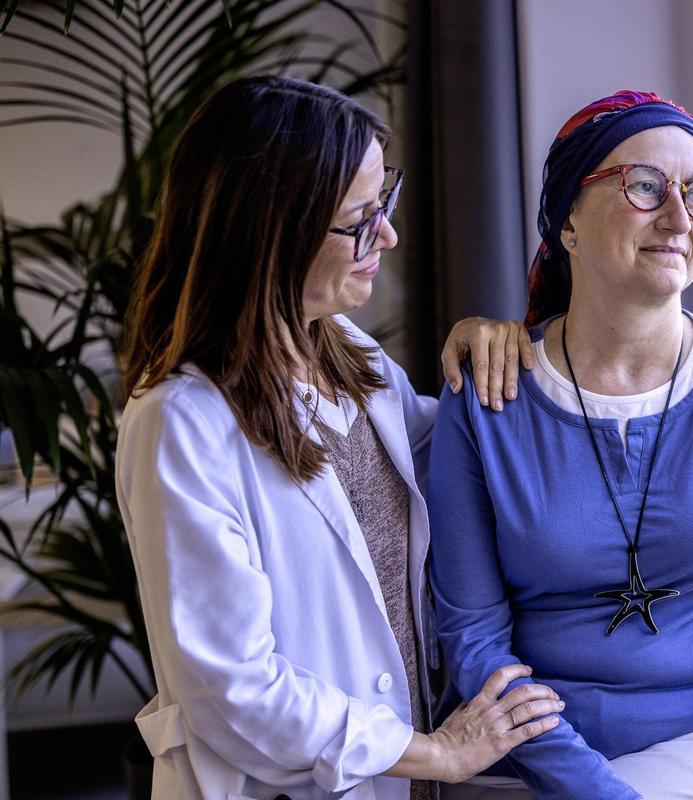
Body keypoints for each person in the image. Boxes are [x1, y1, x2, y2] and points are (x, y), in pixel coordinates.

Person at [116, 75, 563, 800]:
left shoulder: (343, 351)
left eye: (382, 199)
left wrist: (482, 344)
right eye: (359, 218)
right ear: (272, 228)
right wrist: (436, 752)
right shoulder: (181, 424)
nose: (386, 234)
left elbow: (457, 458)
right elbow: (233, 688)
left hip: (401, 775)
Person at [428, 90, 693, 799]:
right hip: (532, 766)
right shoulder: (488, 393)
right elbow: (475, 641)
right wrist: (596, 789)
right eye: (645, 186)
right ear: (568, 224)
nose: (680, 218)